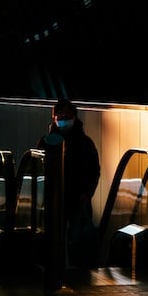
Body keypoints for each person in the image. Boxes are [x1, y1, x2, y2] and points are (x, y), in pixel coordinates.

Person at [38, 99, 101, 267]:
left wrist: (86, 193)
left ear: (74, 116)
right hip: (57, 198)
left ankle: (73, 268)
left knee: (76, 238)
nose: (63, 118)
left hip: (77, 198)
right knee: (58, 237)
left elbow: (93, 170)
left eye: (67, 115)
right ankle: (63, 268)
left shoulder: (84, 143)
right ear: (53, 118)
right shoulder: (47, 142)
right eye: (59, 115)